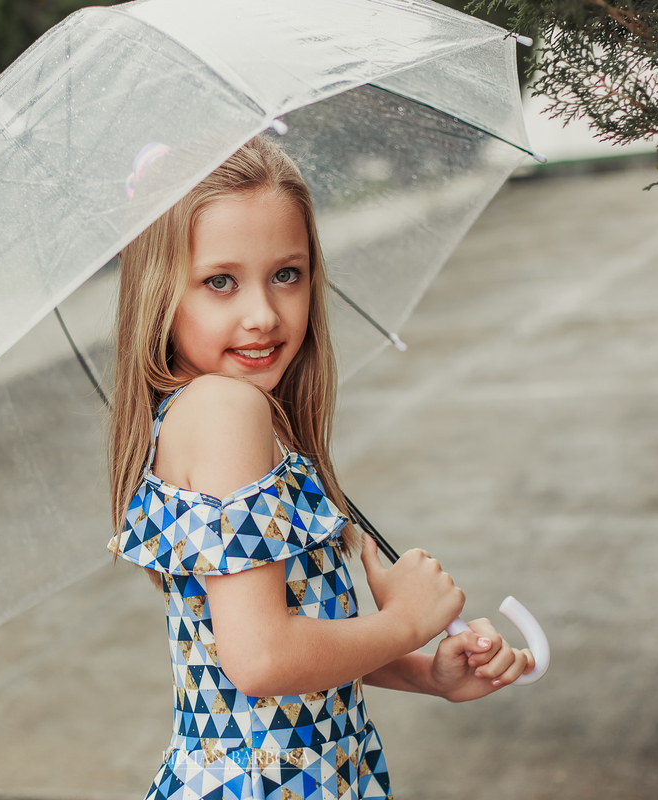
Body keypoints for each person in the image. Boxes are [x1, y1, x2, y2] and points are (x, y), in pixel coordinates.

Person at [107, 136, 533, 800]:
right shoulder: (225, 411)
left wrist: (429, 672)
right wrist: (405, 620)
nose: (263, 315)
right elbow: (262, 660)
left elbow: (289, 649)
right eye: (221, 281)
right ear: (162, 292)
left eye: (287, 274)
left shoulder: (226, 414)